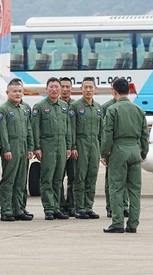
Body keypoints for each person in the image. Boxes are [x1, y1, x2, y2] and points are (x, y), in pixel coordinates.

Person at [101, 78, 149, 233]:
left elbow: (107, 133)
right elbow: (144, 134)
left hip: (119, 150)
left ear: (114, 91)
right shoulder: (138, 110)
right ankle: (133, 224)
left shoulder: (112, 109)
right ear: (128, 91)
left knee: (116, 187)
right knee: (134, 189)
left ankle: (117, 223)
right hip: (135, 150)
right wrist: (144, 152)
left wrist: (104, 153)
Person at [31, 77, 72, 220]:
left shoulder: (64, 106)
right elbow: (35, 128)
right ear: (46, 89)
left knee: (58, 179)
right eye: (51, 87)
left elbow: (68, 127)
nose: (54, 89)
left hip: (61, 146)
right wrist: (36, 147)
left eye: (56, 87)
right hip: (47, 146)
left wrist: (68, 146)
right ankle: (48, 208)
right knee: (47, 178)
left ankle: (56, 207)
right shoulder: (40, 107)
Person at [0, 78, 34, 221]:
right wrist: (6, 149)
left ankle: (18, 209)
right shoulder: (3, 110)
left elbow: (29, 129)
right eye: (14, 91)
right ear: (7, 93)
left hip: (23, 146)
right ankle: (6, 210)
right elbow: (2, 132)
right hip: (11, 146)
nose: (17, 94)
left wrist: (30, 147)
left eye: (19, 91)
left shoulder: (24, 109)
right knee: (9, 179)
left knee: (21, 180)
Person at [71, 77, 103, 219]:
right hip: (80, 143)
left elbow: (101, 130)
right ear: (81, 89)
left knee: (92, 176)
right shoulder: (75, 106)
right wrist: (73, 146)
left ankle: (89, 207)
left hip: (94, 145)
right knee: (80, 176)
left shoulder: (98, 108)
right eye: (86, 87)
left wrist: (102, 148)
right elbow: (71, 128)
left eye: (91, 87)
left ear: (95, 89)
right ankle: (79, 208)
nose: (88, 90)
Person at [101, 96, 129, 219]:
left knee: (125, 179)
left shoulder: (130, 107)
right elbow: (104, 130)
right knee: (111, 180)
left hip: (125, 147)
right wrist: (105, 149)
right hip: (112, 148)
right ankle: (111, 207)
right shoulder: (106, 107)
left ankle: (124, 206)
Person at [59, 77, 77, 217]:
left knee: (73, 177)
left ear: (71, 88)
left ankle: (71, 205)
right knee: (58, 177)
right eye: (62, 86)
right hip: (58, 147)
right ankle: (60, 205)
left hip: (74, 147)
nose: (65, 89)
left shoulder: (77, 106)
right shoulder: (55, 104)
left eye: (67, 87)